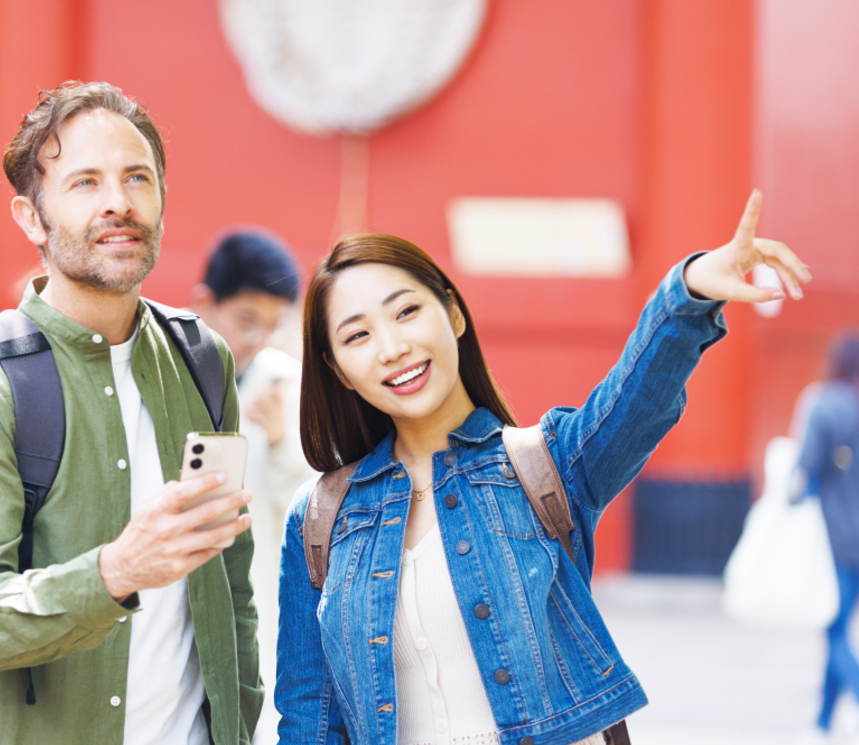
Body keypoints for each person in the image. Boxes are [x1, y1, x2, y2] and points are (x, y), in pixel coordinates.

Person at [276, 191, 810, 745]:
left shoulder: (546, 463)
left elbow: (635, 401)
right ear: (338, 371)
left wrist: (690, 292)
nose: (392, 347)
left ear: (453, 313)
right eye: (357, 335)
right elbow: (308, 717)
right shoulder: (320, 521)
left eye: (407, 311)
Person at [0, 81, 261, 744]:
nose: (118, 203)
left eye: (137, 178)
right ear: (30, 216)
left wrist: (238, 717)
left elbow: (229, 583)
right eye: (84, 183)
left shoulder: (203, 360)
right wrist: (116, 571)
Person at [188, 230, 316, 742]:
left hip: (256, 610)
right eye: (245, 319)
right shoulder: (162, 377)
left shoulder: (290, 385)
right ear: (205, 303)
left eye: (272, 324)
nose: (256, 338)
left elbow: (317, 511)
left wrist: (285, 442)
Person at [795, 333, 859, 741]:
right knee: (838, 627)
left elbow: (804, 472)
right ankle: (821, 723)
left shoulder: (825, 407)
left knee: (833, 628)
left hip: (836, 538)